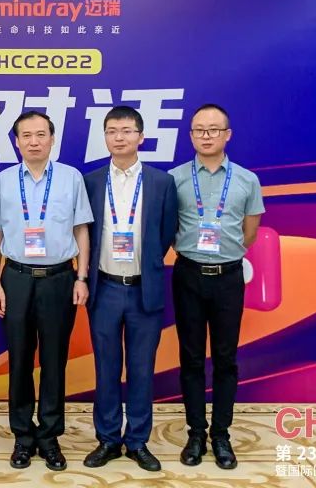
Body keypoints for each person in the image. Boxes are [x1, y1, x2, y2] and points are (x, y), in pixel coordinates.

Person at [0, 111, 93, 472]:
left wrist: (81, 277)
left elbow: (81, 230)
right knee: (19, 359)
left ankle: (49, 436)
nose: (34, 141)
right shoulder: (1, 182)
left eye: (41, 134)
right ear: (16, 142)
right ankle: (22, 436)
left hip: (60, 278)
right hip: (16, 277)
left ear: (52, 139)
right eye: (26, 135)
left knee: (54, 359)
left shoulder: (70, 178)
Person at [80, 106, 178, 472]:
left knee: (141, 369)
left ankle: (137, 441)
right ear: (105, 136)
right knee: (106, 368)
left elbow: (166, 233)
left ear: (141, 136)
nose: (119, 137)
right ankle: (108, 439)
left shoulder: (161, 182)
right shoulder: (91, 181)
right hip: (104, 288)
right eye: (112, 131)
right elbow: (84, 232)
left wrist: (146, 265)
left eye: (126, 130)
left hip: (143, 289)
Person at [170, 104, 265, 470]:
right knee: (191, 357)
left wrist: (226, 253)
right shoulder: (175, 179)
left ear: (228, 134)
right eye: (199, 130)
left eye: (213, 129)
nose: (206, 136)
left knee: (226, 358)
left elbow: (250, 232)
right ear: (191, 135)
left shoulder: (247, 180)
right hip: (188, 275)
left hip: (228, 277)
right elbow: (169, 228)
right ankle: (196, 433)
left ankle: (221, 434)